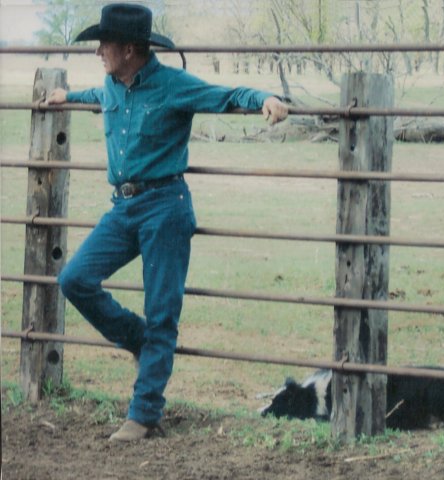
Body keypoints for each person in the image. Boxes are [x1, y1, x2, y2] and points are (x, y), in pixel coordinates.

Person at [46, 3, 288, 442]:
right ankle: (140, 341)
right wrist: (69, 97)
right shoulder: (111, 84)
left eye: (105, 44)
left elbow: (226, 95)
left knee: (163, 312)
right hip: (123, 209)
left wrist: (266, 99)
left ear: (130, 48)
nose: (98, 50)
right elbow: (101, 97)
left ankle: (144, 414)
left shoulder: (173, 85)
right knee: (75, 280)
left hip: (165, 208)